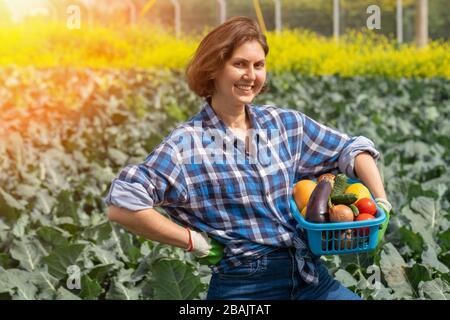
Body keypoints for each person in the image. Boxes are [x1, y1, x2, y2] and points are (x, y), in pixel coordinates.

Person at [104, 16, 392, 300]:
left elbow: (353, 149)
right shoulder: (187, 144)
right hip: (245, 287)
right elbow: (123, 203)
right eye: (239, 64)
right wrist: (193, 242)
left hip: (310, 278)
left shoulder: (285, 124)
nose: (250, 75)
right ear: (213, 68)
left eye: (258, 65)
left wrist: (380, 201)